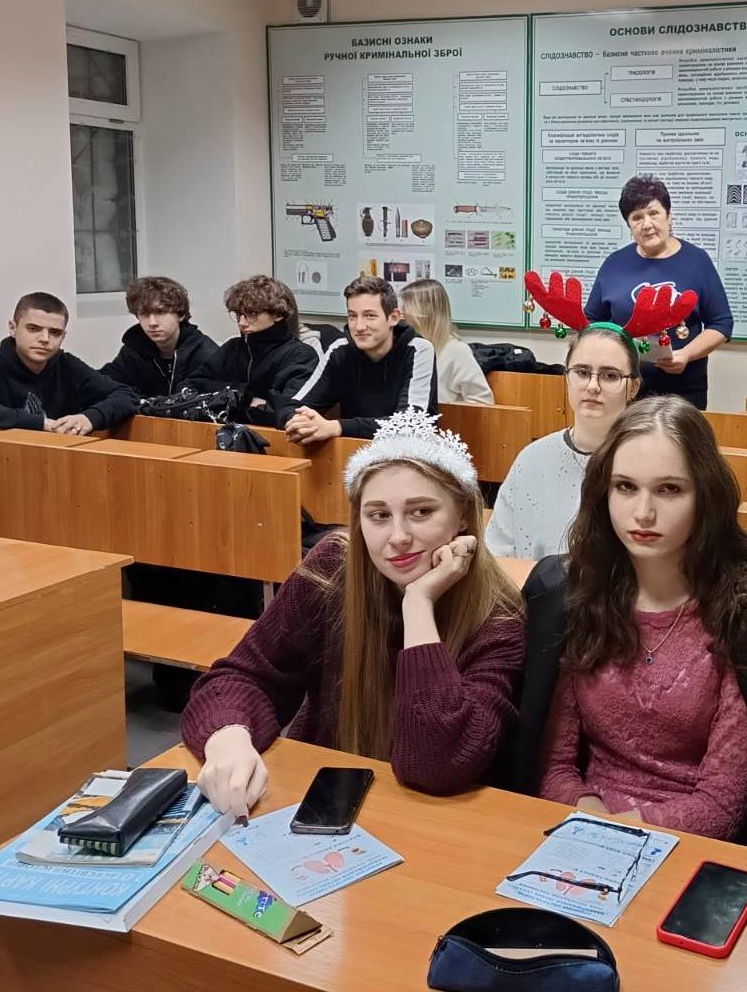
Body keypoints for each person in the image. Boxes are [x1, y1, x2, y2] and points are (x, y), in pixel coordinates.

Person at [511, 397, 747, 853]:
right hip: (579, 827)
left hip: (695, 844)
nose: (643, 513)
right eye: (625, 487)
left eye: (669, 490)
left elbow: (721, 805)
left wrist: (617, 832)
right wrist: (589, 820)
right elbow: (552, 765)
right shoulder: (571, 593)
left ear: (705, 496)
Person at [182, 408, 526, 814]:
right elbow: (244, 676)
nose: (398, 537)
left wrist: (418, 605)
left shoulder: (499, 619)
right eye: (378, 515)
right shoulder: (332, 570)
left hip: (438, 819)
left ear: (464, 515)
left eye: (421, 512)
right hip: (325, 796)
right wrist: (228, 736)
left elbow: (435, 765)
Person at [486, 323, 640, 559]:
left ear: (633, 388)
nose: (593, 386)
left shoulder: (645, 463)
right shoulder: (532, 459)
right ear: (567, 377)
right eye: (582, 372)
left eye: (610, 376)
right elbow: (498, 552)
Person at [585, 175, 733, 409]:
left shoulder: (697, 261)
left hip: (682, 391)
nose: (647, 224)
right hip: (624, 387)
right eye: (637, 217)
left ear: (669, 216)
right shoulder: (614, 263)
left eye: (654, 213)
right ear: (629, 226)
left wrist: (686, 354)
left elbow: (721, 324)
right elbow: (592, 321)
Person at [0, 292, 137, 434]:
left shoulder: (67, 365)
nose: (45, 339)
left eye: (55, 332)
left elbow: (126, 395)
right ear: (13, 328)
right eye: (33, 329)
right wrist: (38, 422)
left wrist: (90, 418)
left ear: (63, 336)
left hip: (60, 461)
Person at [286, 275, 438, 441]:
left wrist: (337, 427)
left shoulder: (418, 349)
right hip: (352, 450)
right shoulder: (340, 349)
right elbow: (293, 407)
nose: (359, 326)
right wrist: (300, 421)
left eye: (370, 316)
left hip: (407, 452)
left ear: (393, 317)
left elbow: (410, 423)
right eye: (352, 316)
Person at [217, 275, 319, 428]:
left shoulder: (301, 355)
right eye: (238, 314)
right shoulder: (233, 348)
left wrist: (231, 406)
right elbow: (192, 389)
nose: (242, 322)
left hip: (276, 438)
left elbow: (287, 411)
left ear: (278, 314)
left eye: (252, 314)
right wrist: (246, 397)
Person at [100, 275, 221, 398]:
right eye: (144, 314)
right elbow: (106, 383)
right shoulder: (134, 349)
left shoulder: (207, 354)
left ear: (180, 315)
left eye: (160, 312)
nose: (152, 323)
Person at [400, 279, 494, 405]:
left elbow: (483, 401)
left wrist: (445, 408)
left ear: (425, 311)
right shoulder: (408, 346)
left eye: (405, 307)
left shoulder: (456, 351)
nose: (401, 313)